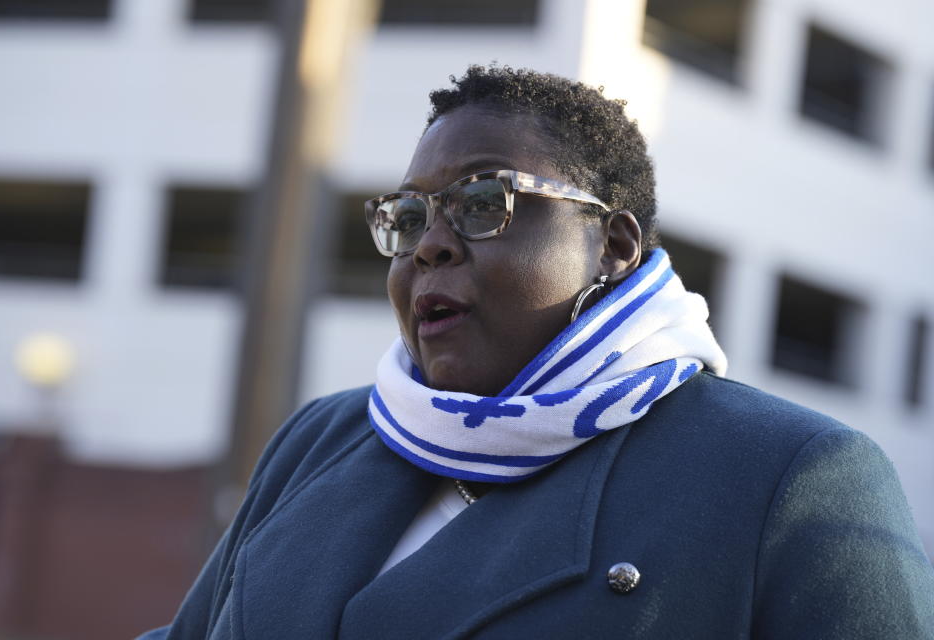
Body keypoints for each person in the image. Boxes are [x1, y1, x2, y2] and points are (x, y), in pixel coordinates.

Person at [140, 66, 934, 639]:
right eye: (409, 218)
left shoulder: (787, 475)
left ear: (614, 245)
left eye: (486, 202)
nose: (430, 248)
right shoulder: (324, 439)